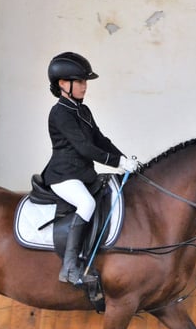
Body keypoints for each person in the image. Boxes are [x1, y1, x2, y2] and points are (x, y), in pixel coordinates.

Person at [41, 51, 139, 285]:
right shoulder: (59, 113)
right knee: (87, 203)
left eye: (85, 82)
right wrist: (117, 163)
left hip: (83, 174)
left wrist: (125, 160)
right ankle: (69, 267)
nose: (85, 87)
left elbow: (100, 139)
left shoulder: (82, 111)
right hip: (63, 175)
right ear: (63, 84)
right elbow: (85, 147)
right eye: (81, 81)